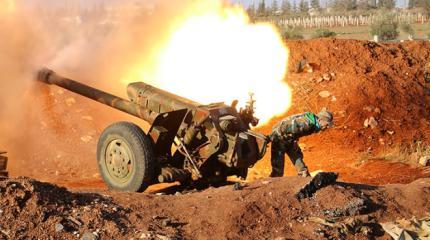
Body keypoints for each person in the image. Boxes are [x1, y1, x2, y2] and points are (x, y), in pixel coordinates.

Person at [269, 109, 333, 177]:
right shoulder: (307, 124)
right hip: (279, 137)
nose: (327, 127)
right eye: (327, 124)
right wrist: (274, 137)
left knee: (297, 155)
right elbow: (285, 127)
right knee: (278, 168)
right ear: (320, 120)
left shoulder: (312, 122)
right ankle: (272, 183)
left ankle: (303, 174)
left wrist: (294, 140)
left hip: (289, 137)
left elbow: (295, 130)